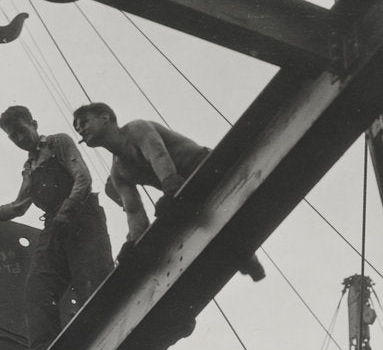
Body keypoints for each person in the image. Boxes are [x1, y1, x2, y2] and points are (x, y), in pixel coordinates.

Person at [0, 105, 113, 350]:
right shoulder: (29, 167)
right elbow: (18, 207)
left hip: (82, 217)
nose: (20, 139)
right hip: (55, 225)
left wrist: (67, 209)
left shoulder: (58, 143)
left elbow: (83, 179)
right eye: (13, 137)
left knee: (91, 279)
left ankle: (105, 336)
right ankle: (45, 347)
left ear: (33, 123)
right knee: (39, 285)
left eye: (21, 131)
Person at [71, 102, 265, 280]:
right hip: (184, 191)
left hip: (204, 166)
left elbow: (158, 154)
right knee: (204, 223)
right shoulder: (118, 171)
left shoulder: (136, 129)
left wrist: (171, 187)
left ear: (105, 118)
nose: (81, 129)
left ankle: (246, 256)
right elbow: (134, 210)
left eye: (84, 122)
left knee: (210, 214)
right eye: (78, 128)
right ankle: (245, 257)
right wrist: (135, 243)